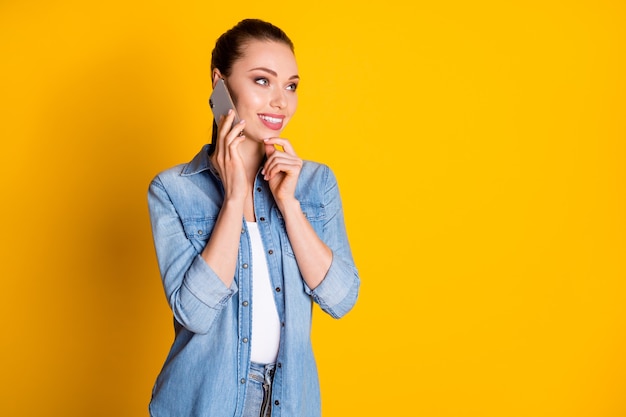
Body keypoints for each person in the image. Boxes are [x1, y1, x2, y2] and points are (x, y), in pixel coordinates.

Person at [147, 18, 360, 417]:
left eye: (291, 86)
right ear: (220, 84)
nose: (281, 101)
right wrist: (234, 199)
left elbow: (341, 298)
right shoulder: (174, 190)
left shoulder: (314, 183)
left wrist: (290, 206)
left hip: (290, 400)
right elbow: (194, 313)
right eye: (263, 80)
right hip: (205, 402)